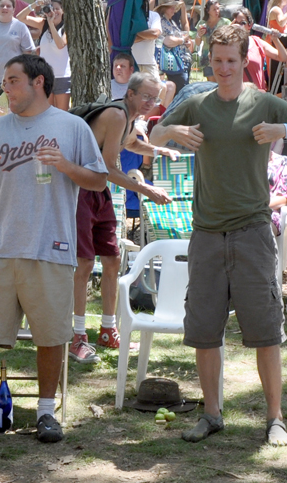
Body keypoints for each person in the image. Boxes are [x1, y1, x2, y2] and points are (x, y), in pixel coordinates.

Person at [149, 24, 287, 446]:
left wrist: (282, 131)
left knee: (266, 331)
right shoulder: (196, 103)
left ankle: (275, 419)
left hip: (252, 231)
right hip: (207, 233)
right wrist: (174, 132)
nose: (224, 67)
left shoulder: (264, 102)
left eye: (231, 60)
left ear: (244, 60)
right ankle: (211, 414)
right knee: (205, 330)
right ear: (208, 60)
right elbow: (153, 135)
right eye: (217, 60)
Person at [0, 55, 108, 444]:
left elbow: (99, 181)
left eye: (13, 80)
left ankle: (46, 413)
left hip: (50, 247)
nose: (6, 87)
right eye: (4, 81)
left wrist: (67, 167)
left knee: (51, 336)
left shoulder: (71, 127)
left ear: (39, 82)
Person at [70, 73, 174, 363]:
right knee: (85, 263)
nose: (151, 103)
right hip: (80, 191)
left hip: (98, 193)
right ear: (130, 93)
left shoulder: (127, 117)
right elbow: (107, 168)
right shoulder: (116, 114)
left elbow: (127, 144)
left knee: (113, 260)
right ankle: (77, 336)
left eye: (155, 98)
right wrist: (145, 188)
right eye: (146, 96)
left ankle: (107, 330)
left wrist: (156, 149)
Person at [230, 7, 287, 92]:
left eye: (242, 23)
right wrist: (228, 31)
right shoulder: (228, 44)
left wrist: (275, 40)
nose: (239, 26)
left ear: (249, 25)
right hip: (236, 95)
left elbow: (284, 58)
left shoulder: (256, 42)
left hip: (256, 96)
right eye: (236, 22)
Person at [36, 0, 72, 109]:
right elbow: (20, 17)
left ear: (63, 10)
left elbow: (60, 45)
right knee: (47, 112)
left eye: (57, 8)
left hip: (62, 76)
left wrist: (51, 24)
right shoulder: (43, 25)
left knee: (62, 112)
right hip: (46, 76)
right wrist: (36, 4)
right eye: (51, 8)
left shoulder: (67, 27)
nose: (54, 11)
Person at [156, 0, 192, 94]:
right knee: (182, 91)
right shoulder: (161, 22)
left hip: (180, 62)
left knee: (182, 90)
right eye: (170, 6)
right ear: (163, 8)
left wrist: (184, 42)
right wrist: (183, 40)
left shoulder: (171, 22)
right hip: (176, 63)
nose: (173, 8)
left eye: (174, 6)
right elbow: (167, 41)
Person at [131, 0, 163, 78]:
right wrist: (148, 36)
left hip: (149, 63)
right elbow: (127, 39)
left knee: (158, 88)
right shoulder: (128, 17)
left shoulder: (154, 15)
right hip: (131, 63)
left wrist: (133, 32)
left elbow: (155, 34)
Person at [195, 0, 225, 79]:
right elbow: (197, 43)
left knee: (220, 82)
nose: (217, 11)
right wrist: (199, 35)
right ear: (208, 11)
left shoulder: (225, 23)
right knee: (211, 84)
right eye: (214, 9)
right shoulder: (202, 24)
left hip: (221, 57)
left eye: (218, 8)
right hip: (207, 58)